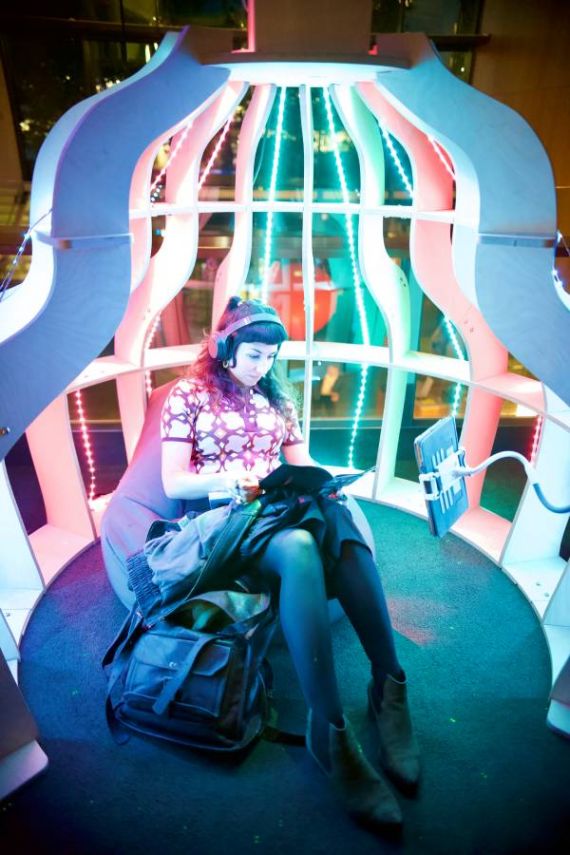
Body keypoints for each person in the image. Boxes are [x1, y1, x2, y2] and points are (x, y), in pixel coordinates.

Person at [160, 296, 420, 831]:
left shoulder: (277, 398)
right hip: (221, 523)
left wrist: (323, 484)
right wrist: (230, 480)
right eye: (254, 356)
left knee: (339, 522)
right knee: (300, 546)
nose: (263, 368)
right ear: (225, 347)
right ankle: (330, 732)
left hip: (274, 510)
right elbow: (173, 483)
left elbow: (300, 465)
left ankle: (389, 688)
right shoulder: (188, 394)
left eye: (271, 358)